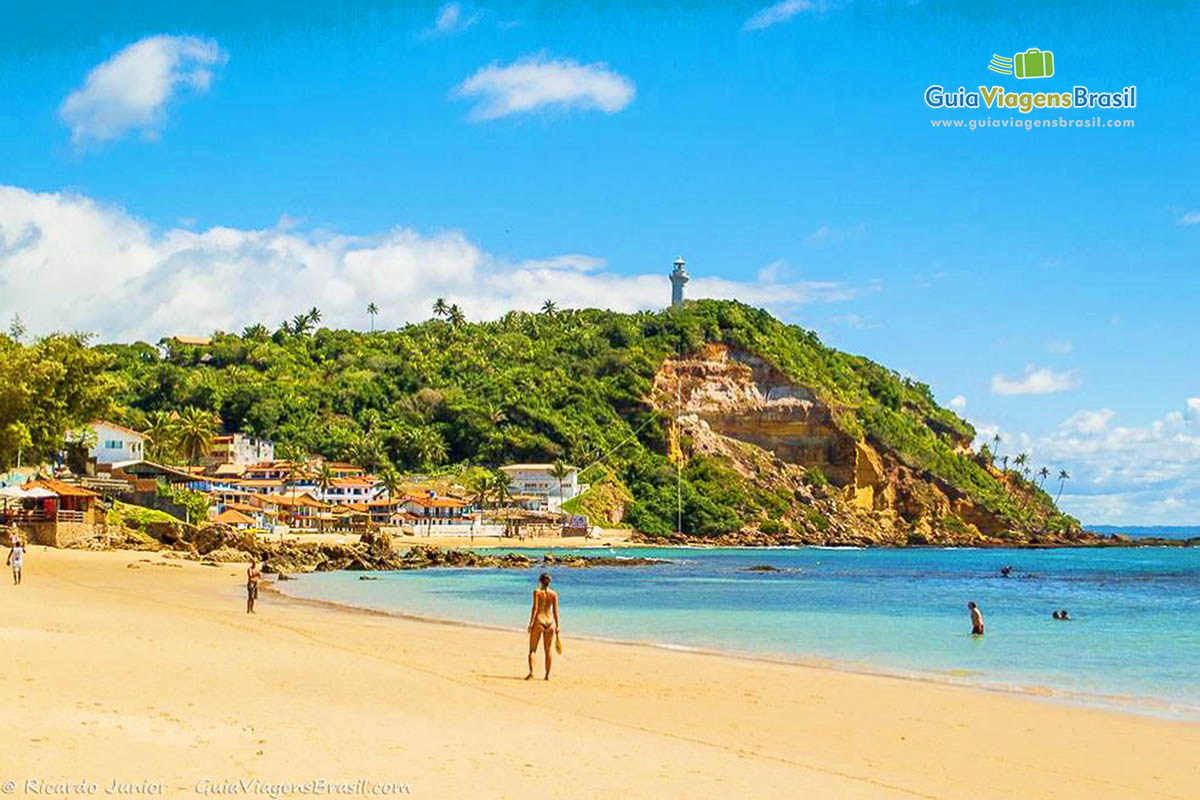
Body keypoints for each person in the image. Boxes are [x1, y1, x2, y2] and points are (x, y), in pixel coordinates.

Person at [526, 572, 560, 681]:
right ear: (549, 582)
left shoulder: (537, 592)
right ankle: (547, 675)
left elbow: (535, 608)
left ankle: (531, 672)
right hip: (550, 622)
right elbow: (555, 611)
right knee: (548, 650)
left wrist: (531, 623)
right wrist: (558, 625)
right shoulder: (554, 594)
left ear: (540, 581)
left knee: (533, 649)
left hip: (539, 621)